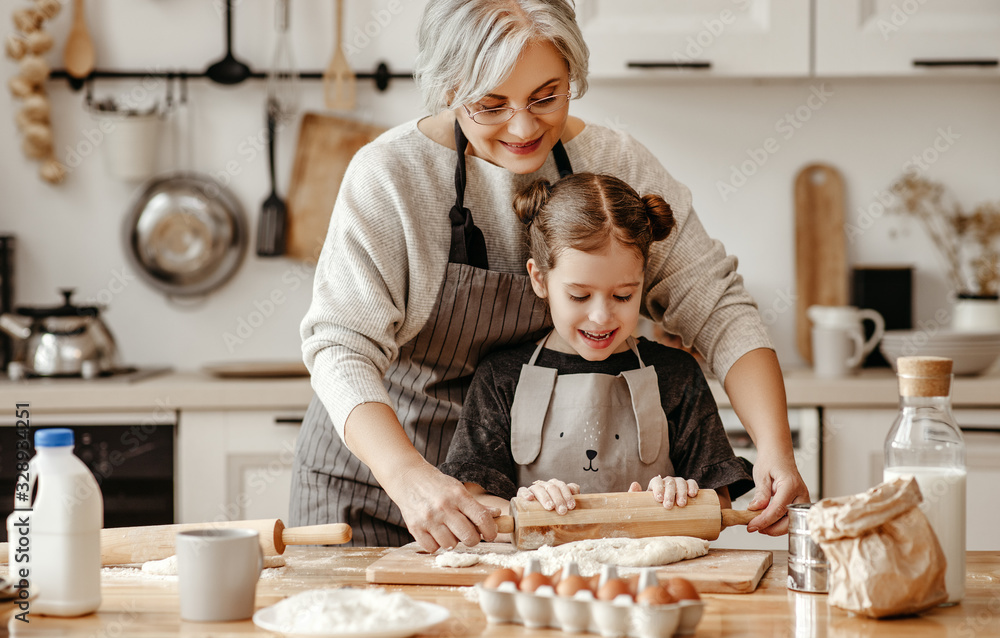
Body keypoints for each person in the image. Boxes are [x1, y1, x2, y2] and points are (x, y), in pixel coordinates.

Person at [291, 0, 808, 551]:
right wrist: (410, 477)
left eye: (546, 97)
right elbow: (341, 346)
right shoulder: (391, 175)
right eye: (490, 104)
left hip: (521, 504)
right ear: (446, 88)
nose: (522, 126)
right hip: (376, 484)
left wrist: (774, 446)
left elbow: (717, 305)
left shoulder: (614, 160)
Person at [439, 173, 755, 519]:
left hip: (652, 574)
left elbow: (719, 503)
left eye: (623, 295)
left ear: (643, 282)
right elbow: (473, 501)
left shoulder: (676, 374)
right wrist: (523, 507)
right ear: (540, 279)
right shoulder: (501, 376)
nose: (602, 316)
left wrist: (685, 498)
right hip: (542, 572)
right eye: (579, 295)